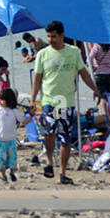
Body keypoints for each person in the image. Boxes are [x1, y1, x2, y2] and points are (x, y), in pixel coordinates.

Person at [31, 20, 99, 185]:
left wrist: (95, 89)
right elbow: (37, 78)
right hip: (48, 100)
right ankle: (49, 162)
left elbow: (83, 73)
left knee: (65, 138)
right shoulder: (43, 54)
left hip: (66, 102)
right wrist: (33, 100)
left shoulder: (73, 52)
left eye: (54, 36)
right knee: (49, 132)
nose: (50, 40)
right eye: (48, 36)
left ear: (62, 35)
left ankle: (62, 172)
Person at [0, 87, 28, 183]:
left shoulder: (14, 111)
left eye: (3, 100)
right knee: (0, 158)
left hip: (11, 140)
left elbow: (23, 121)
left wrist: (30, 115)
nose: (0, 102)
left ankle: (11, 172)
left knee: (12, 159)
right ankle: (3, 175)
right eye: (0, 99)